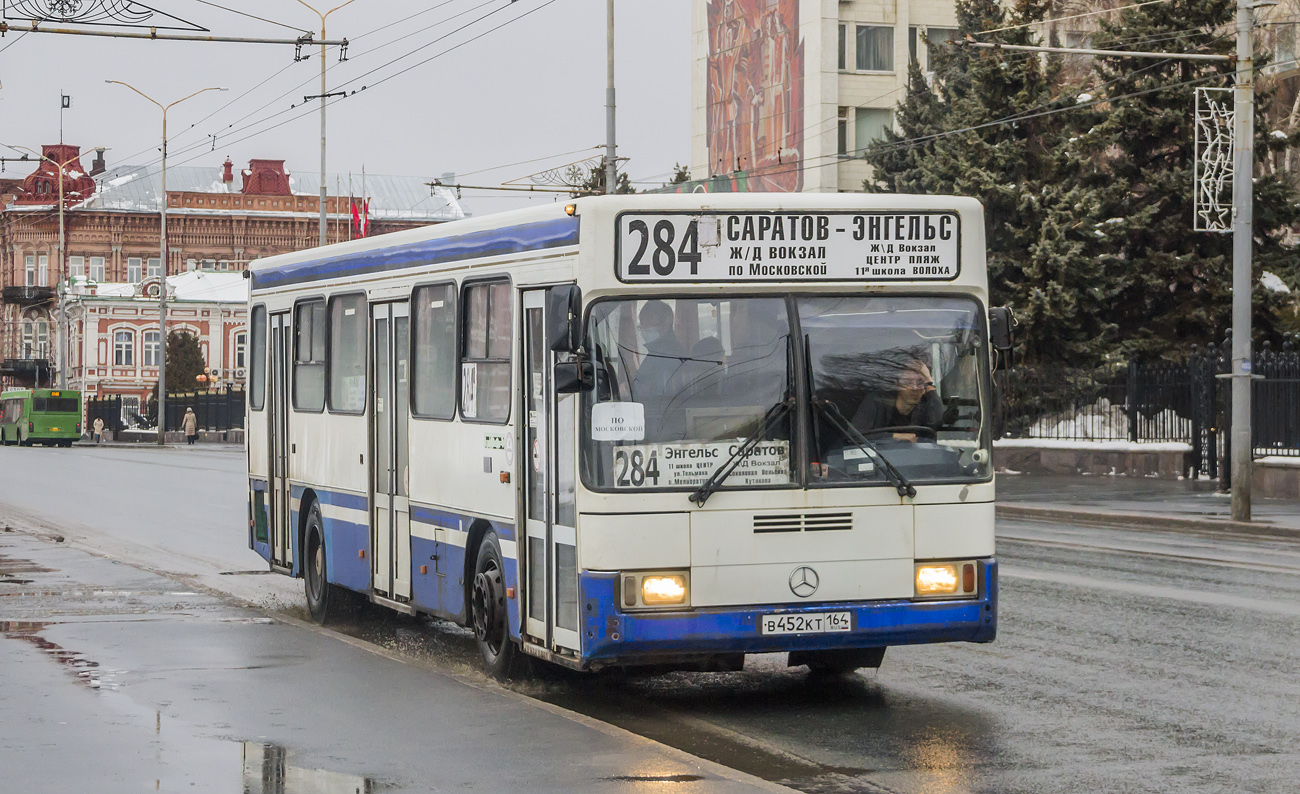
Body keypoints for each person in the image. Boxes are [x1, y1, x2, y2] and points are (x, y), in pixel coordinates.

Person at [851, 358, 947, 442]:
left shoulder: (926, 406)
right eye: (907, 382)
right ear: (897, 384)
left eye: (920, 383)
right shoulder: (877, 402)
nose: (914, 387)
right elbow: (853, 436)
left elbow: (937, 423)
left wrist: (929, 385)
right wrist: (895, 437)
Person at [631, 300, 687, 440]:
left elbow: (661, 396)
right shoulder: (658, 351)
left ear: (665, 324)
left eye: (647, 324)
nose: (643, 329)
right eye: (641, 325)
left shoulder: (667, 354)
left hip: (661, 428)